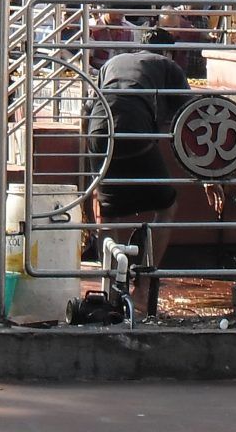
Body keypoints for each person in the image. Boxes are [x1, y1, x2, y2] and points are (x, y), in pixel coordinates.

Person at [86, 29, 193, 315]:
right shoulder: (169, 66)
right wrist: (210, 178)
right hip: (133, 128)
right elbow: (192, 122)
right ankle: (143, 287)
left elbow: (96, 100)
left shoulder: (114, 61)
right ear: (168, 52)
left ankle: (112, 286)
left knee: (108, 211)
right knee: (166, 204)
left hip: (98, 129)